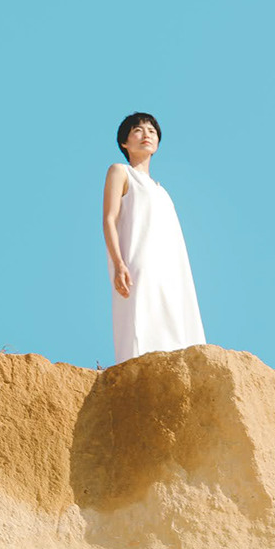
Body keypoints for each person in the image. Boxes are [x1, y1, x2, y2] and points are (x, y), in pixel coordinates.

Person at [102, 112, 205, 363]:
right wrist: (118, 264)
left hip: (169, 271)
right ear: (124, 142)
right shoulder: (121, 172)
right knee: (139, 322)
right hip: (136, 264)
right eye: (137, 130)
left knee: (174, 326)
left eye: (151, 131)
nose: (146, 134)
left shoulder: (162, 192)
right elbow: (109, 219)